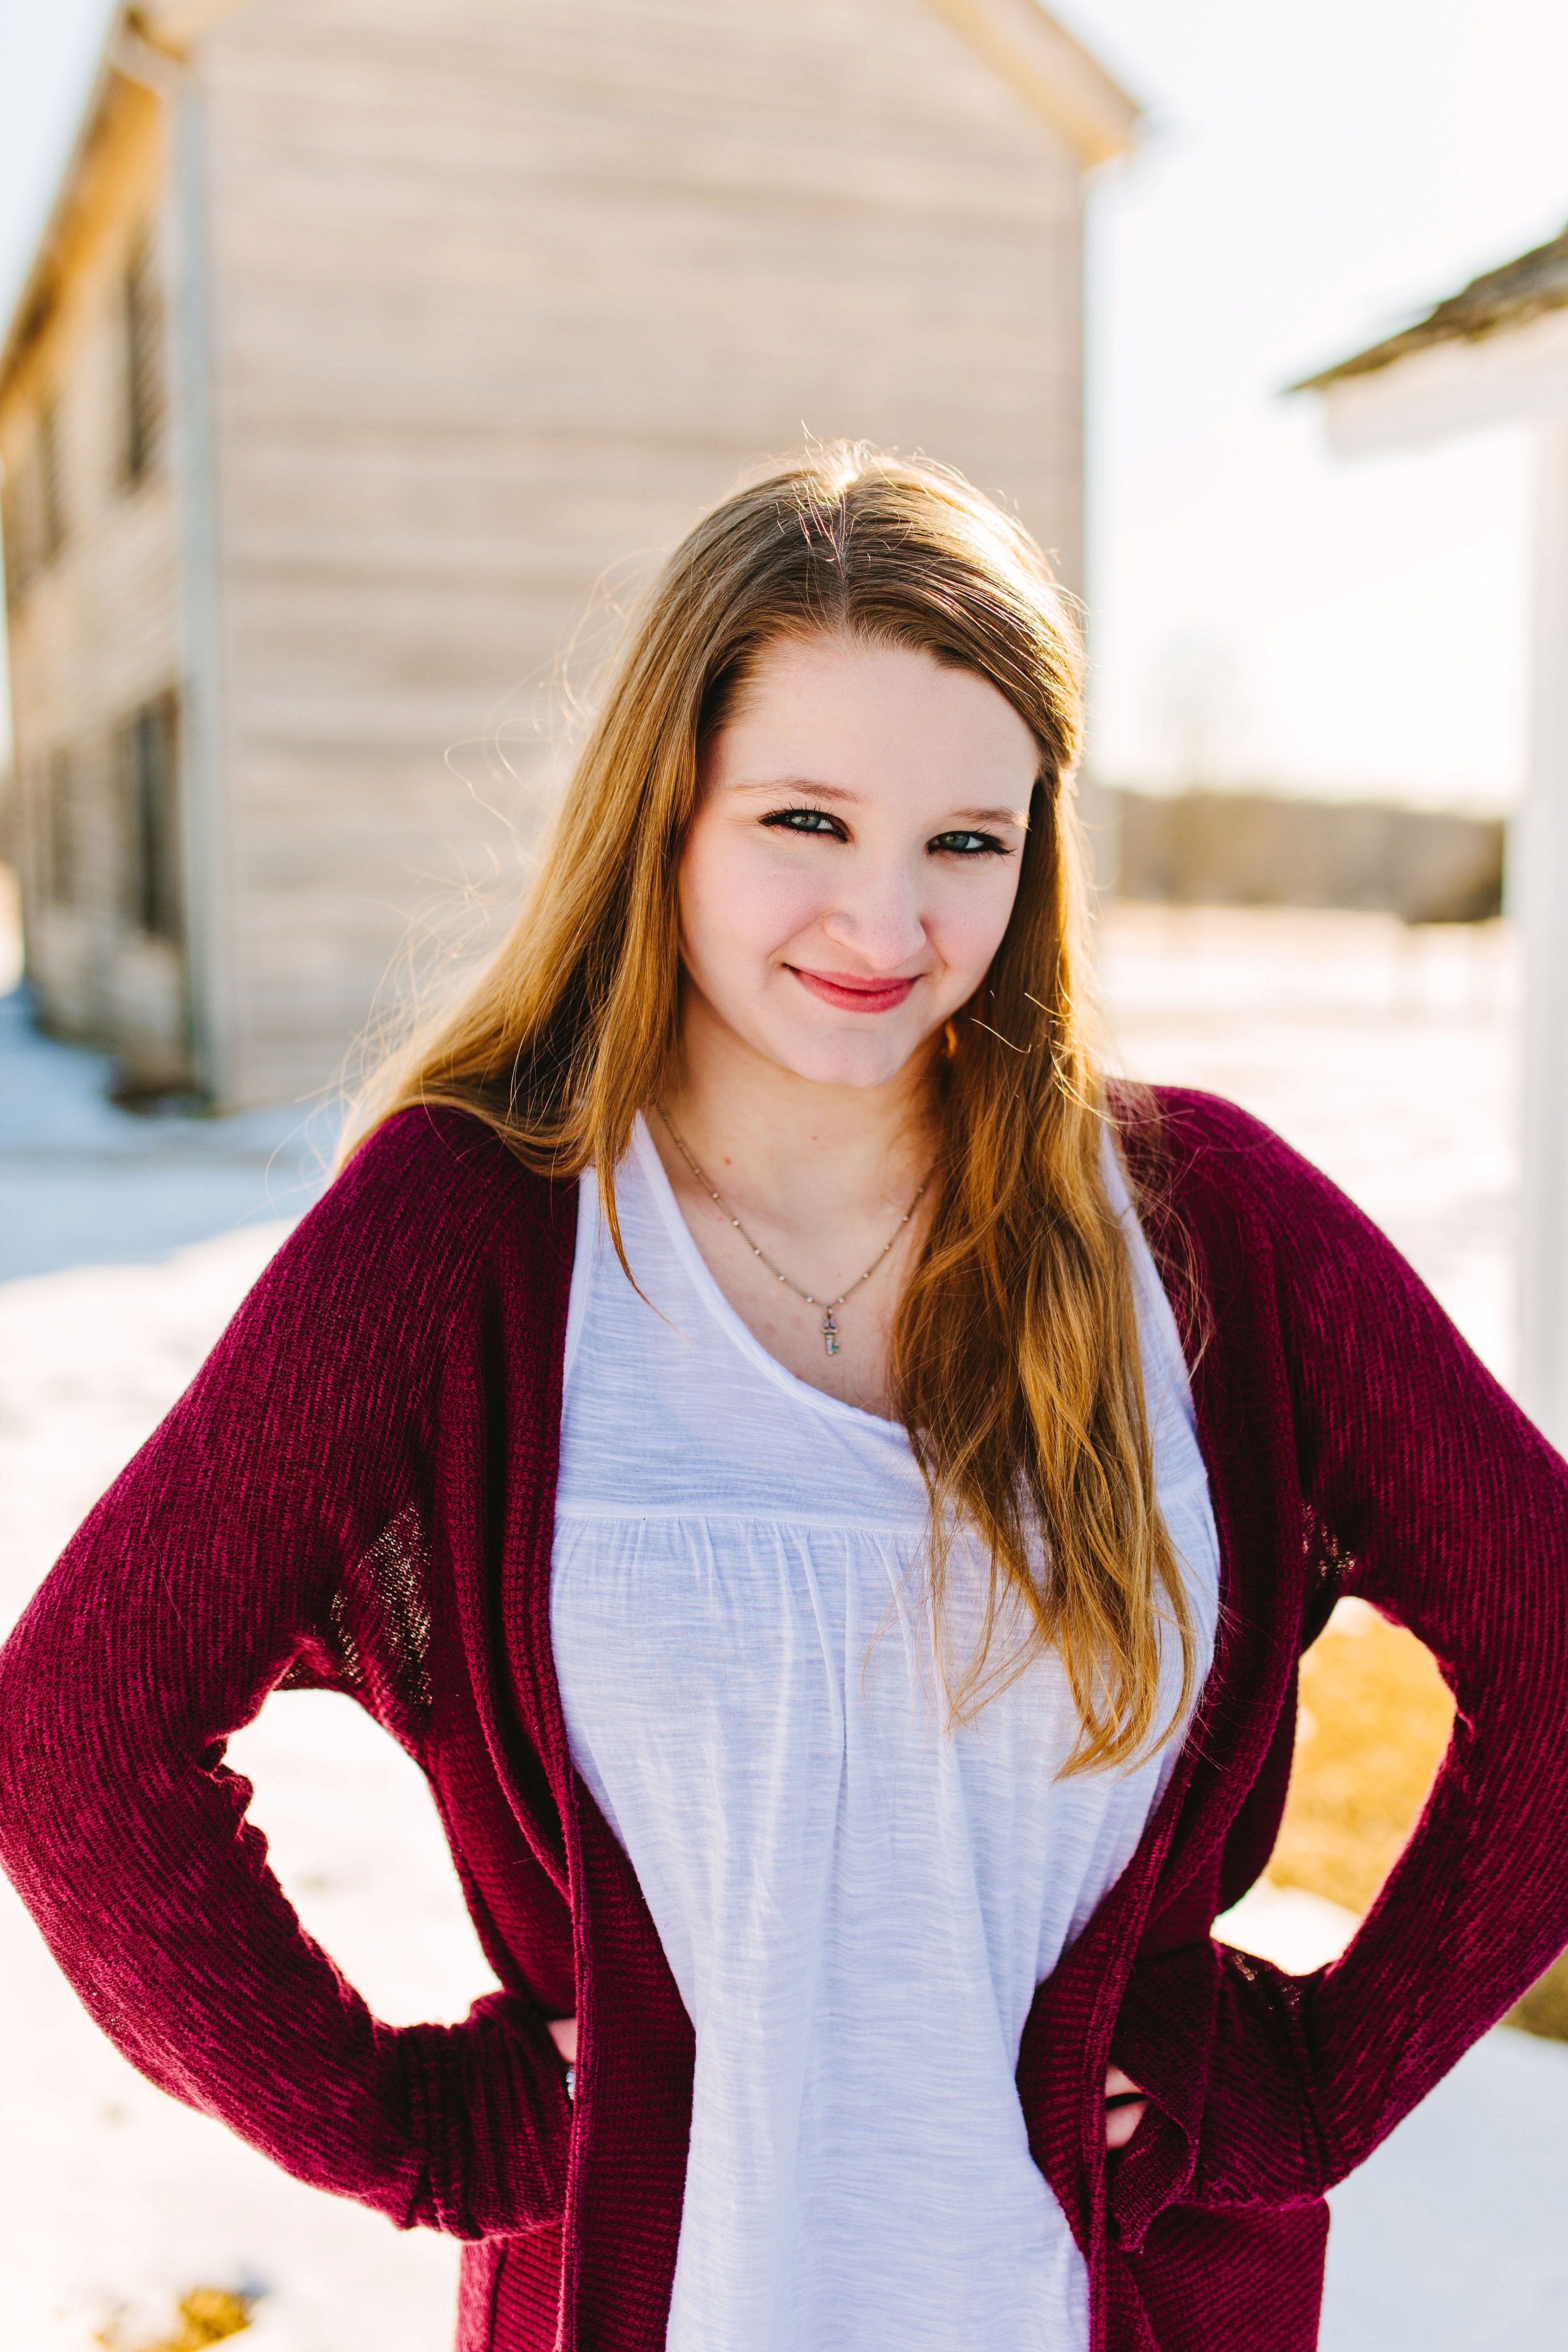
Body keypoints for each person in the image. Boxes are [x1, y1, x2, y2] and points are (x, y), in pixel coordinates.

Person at [1, 447, 1566, 2352]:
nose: (885, 922)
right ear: (665, 809)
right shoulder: (473, 1239)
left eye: (965, 841)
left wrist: (1317, 2080)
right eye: (804, 819)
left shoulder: (1201, 1233)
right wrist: (408, 2128)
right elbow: (80, 1736)